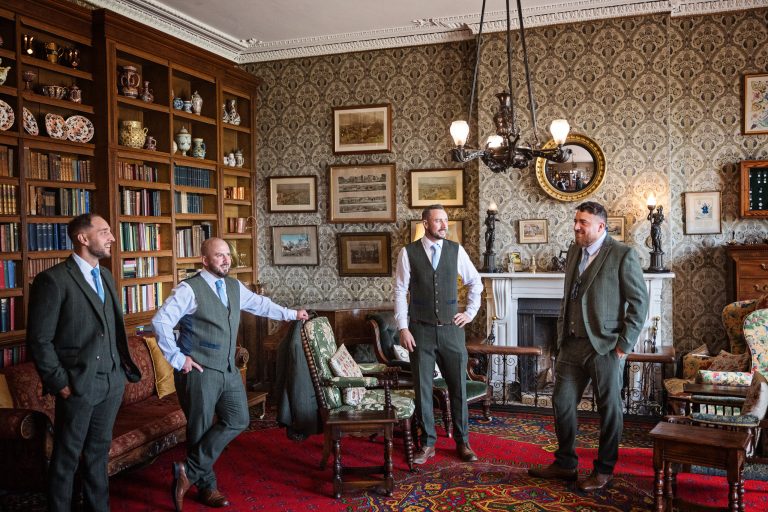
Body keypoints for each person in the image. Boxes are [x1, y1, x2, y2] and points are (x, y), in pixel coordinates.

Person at [153, 237, 308, 511]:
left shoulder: (234, 286)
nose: (226, 260)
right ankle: (207, 488)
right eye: (219, 255)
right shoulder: (189, 289)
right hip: (199, 371)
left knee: (239, 419)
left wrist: (291, 314)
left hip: (227, 368)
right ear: (204, 260)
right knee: (199, 429)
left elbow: (260, 305)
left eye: (227, 255)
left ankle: (188, 470)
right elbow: (160, 321)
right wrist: (178, 358)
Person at [528, 201, 648, 491]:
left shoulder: (622, 254)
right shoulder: (574, 251)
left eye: (583, 222)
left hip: (605, 346)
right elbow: (568, 297)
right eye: (576, 221)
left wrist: (623, 346)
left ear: (600, 226)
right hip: (571, 345)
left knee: (610, 409)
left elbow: (639, 303)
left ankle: (604, 469)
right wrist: (560, 338)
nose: (576, 227)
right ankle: (566, 463)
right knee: (562, 402)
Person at [26, 213, 141, 512]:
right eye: (104, 232)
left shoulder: (106, 276)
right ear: (83, 238)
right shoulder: (52, 280)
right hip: (78, 386)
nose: (112, 238)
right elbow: (39, 340)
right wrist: (60, 383)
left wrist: (120, 372)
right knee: (66, 457)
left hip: (112, 382)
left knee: (98, 454)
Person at [395, 204, 484, 464]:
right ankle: (427, 443)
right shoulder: (408, 252)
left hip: (451, 332)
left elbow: (475, 283)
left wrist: (470, 313)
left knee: (458, 387)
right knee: (423, 389)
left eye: (446, 220)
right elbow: (400, 291)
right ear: (425, 223)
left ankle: (463, 442)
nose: (445, 225)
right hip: (420, 331)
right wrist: (403, 327)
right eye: (438, 221)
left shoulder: (456, 251)